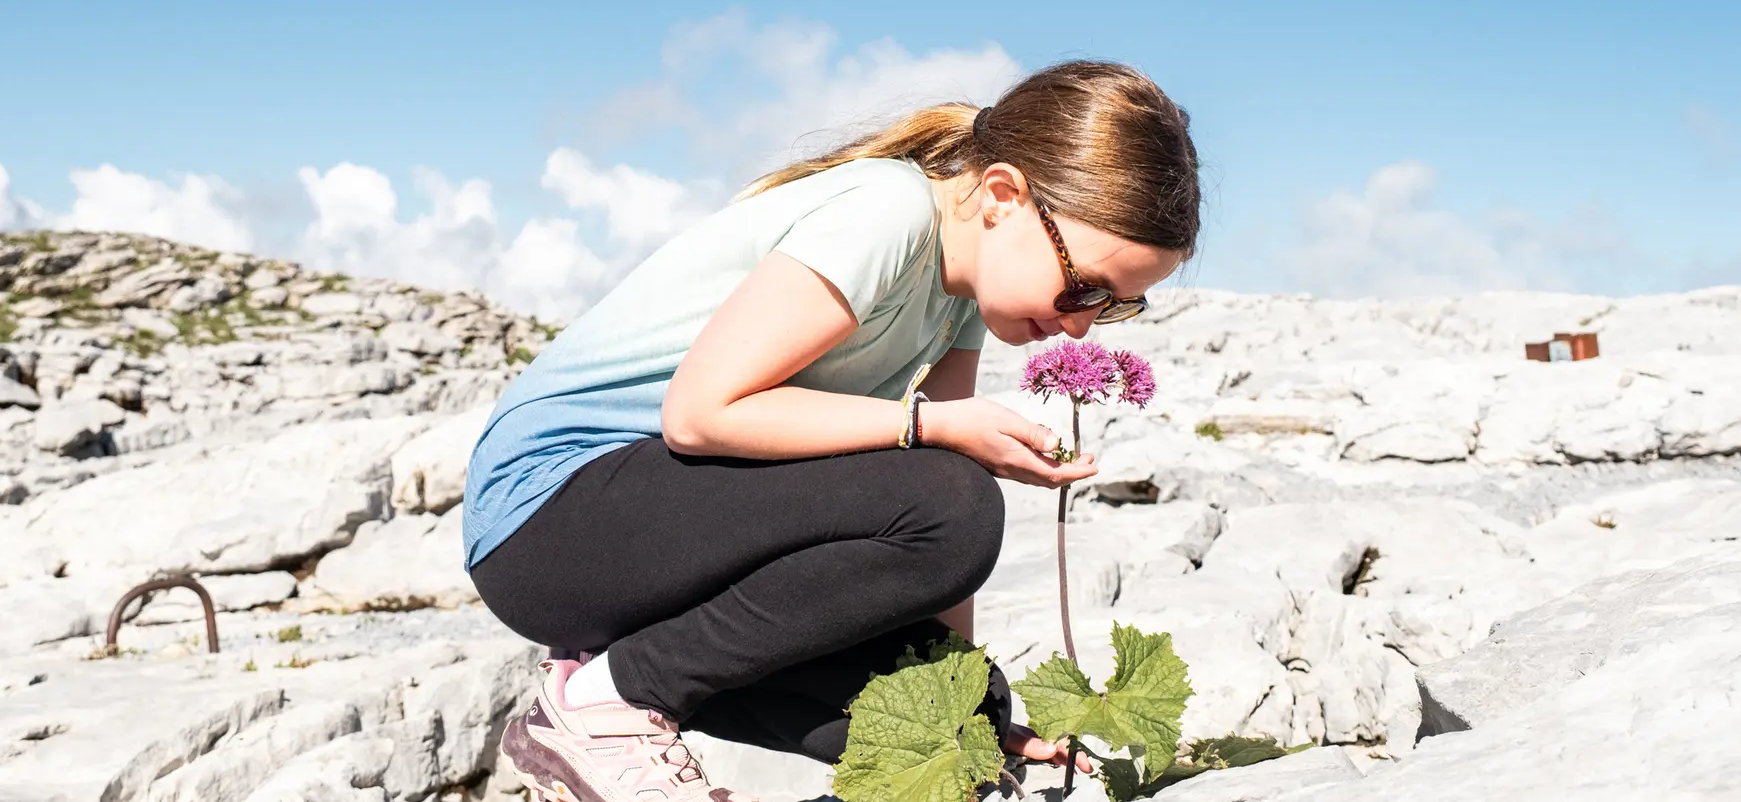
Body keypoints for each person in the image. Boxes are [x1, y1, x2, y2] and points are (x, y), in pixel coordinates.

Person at [465, 60, 1202, 802]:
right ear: (1004, 197)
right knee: (955, 499)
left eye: (1113, 306)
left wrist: (967, 704)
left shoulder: (960, 300)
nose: (1080, 323)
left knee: (956, 717)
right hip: (547, 524)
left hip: (646, 544)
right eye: (1083, 285)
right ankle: (608, 703)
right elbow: (699, 416)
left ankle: (600, 676)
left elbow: (931, 553)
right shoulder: (888, 212)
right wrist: (934, 424)